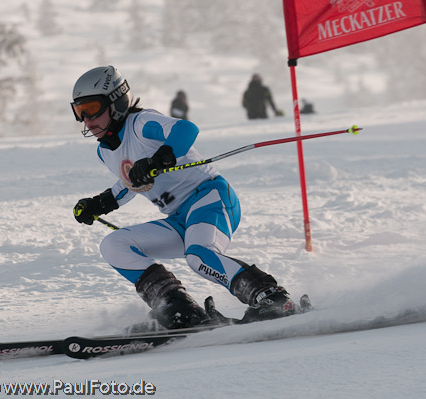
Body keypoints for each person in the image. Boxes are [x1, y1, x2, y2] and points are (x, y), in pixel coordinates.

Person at [70, 66, 300, 330]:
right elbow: (129, 182)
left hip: (210, 199)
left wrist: (161, 156)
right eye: (79, 112)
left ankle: (272, 298)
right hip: (179, 219)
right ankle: (177, 307)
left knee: (199, 257)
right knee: (113, 245)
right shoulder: (105, 151)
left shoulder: (141, 124)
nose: (86, 120)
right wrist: (100, 203)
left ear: (116, 101)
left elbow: (186, 129)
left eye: (91, 109)